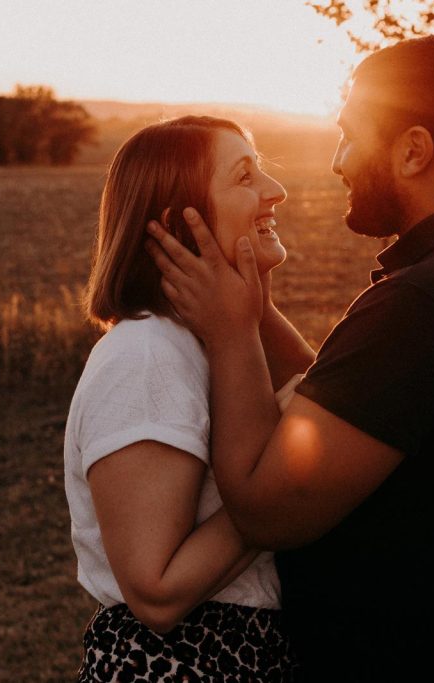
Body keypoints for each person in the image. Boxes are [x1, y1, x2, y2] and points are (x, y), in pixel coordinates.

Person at [146, 36, 434, 682]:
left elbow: (266, 506)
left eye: (349, 136)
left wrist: (231, 334)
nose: (339, 161)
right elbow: (354, 405)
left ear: (413, 149)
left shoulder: (426, 304)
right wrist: (254, 309)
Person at [63, 115, 299, 681]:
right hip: (183, 664)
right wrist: (279, 483)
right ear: (178, 225)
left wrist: (251, 307)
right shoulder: (146, 357)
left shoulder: (220, 341)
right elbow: (156, 591)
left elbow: (329, 406)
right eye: (245, 177)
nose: (276, 191)